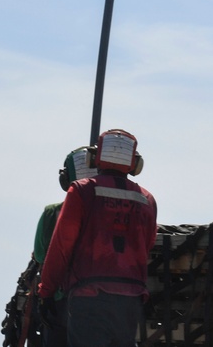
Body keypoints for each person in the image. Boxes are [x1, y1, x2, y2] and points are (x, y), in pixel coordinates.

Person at [37, 129, 158, 347]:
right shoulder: (147, 200)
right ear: (135, 164)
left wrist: (46, 291)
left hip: (89, 298)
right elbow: (146, 245)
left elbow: (62, 247)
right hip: (130, 301)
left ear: (96, 158)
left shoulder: (82, 191)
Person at [31, 147, 98, 347]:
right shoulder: (117, 209)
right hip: (109, 304)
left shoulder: (52, 213)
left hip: (63, 301)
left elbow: (42, 255)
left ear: (65, 178)